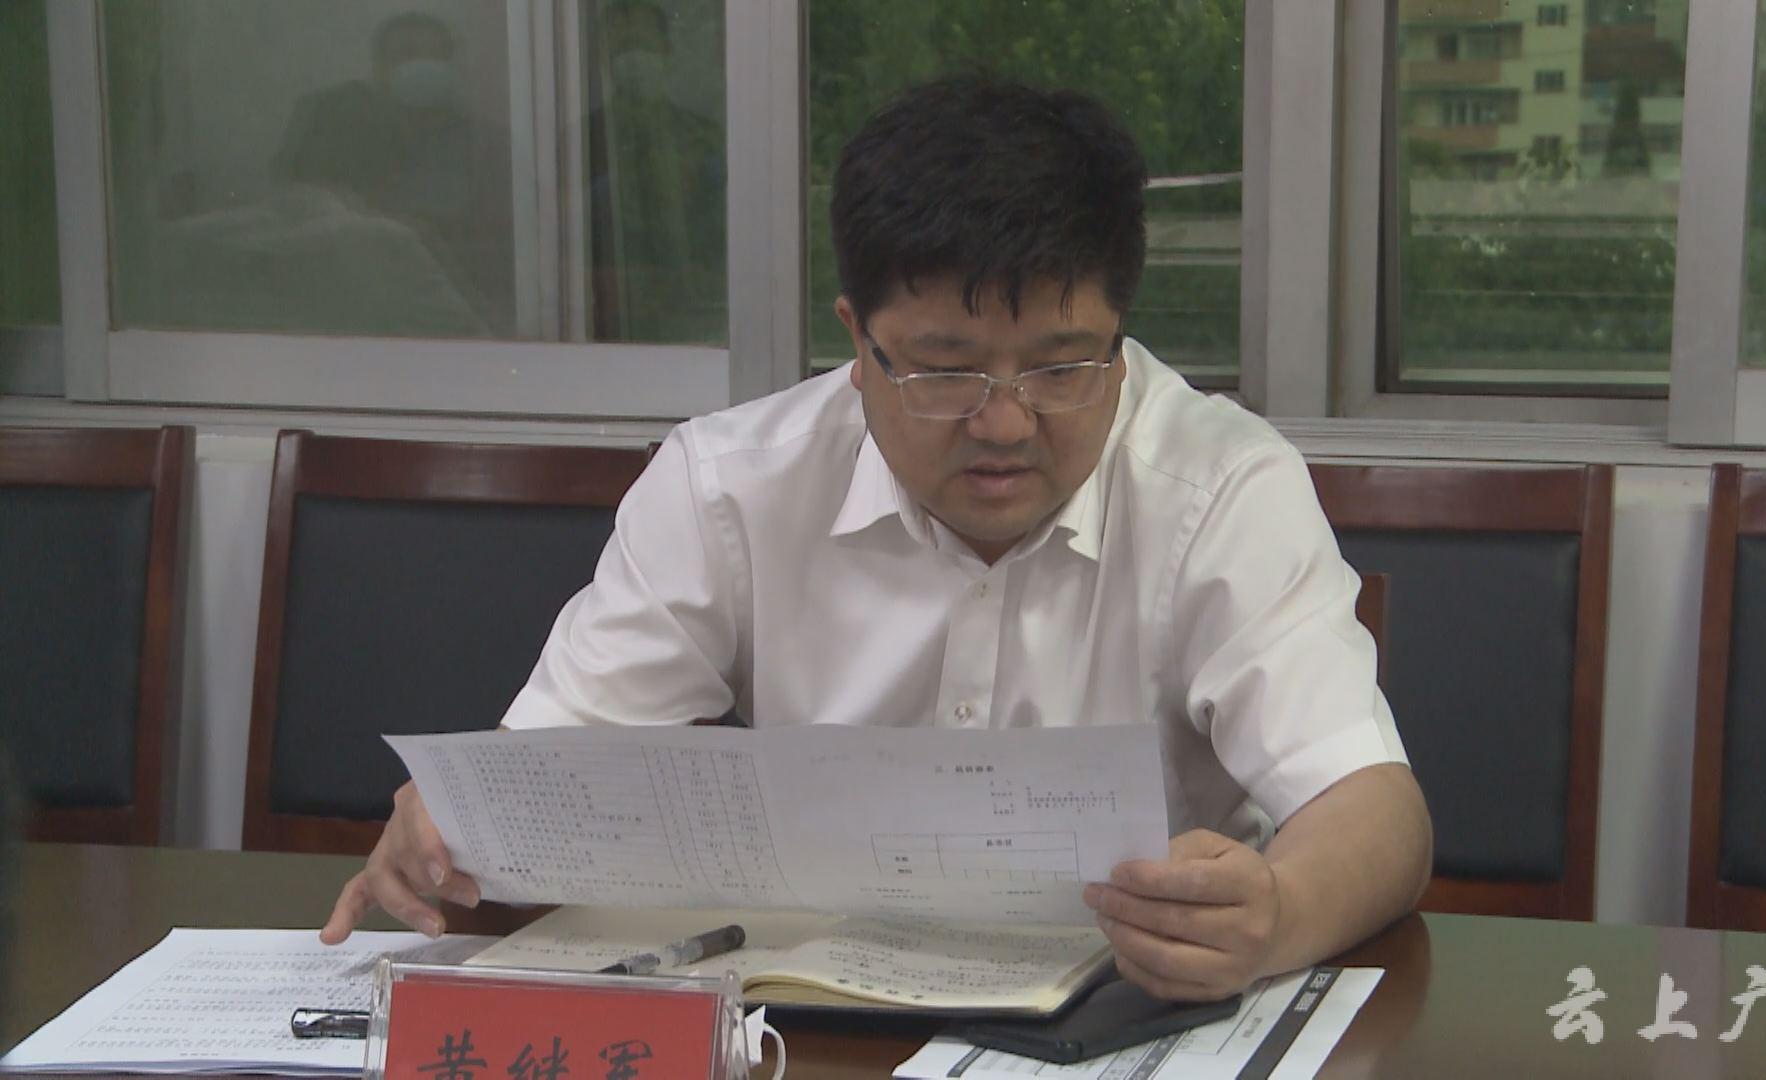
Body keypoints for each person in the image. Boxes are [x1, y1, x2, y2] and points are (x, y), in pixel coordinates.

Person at [322, 76, 1433, 1002]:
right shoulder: (730, 485)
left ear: (1120, 330)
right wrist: (455, 830)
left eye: (1062, 367)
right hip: (808, 1019)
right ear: (857, 340)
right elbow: (545, 780)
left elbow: (1377, 813)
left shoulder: (1219, 484)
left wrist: (1275, 914)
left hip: (1127, 1017)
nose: (1005, 423)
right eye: (946, 370)